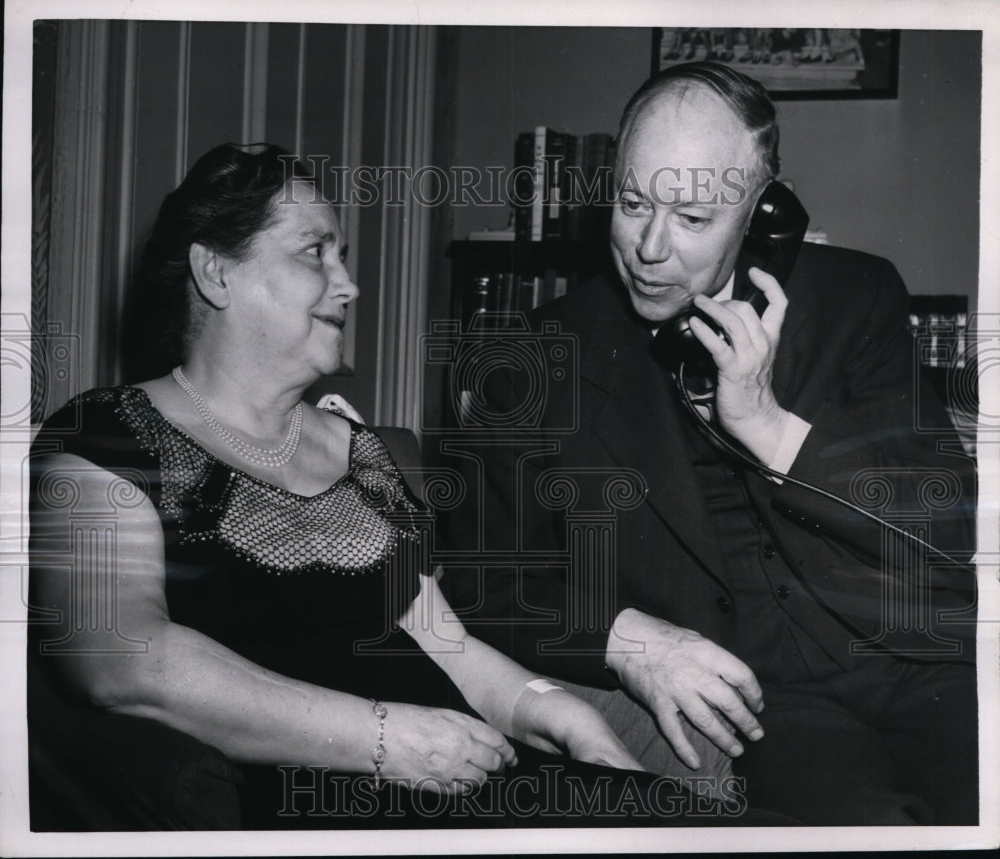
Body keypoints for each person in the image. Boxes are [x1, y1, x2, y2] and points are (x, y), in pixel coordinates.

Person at [27, 143, 754, 831]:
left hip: (469, 775)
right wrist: (385, 738)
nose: (349, 283)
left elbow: (446, 645)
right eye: (316, 251)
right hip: (320, 804)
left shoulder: (364, 452)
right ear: (216, 272)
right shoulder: (106, 434)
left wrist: (560, 713)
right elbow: (123, 659)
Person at [442, 63, 978, 825]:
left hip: (916, 664)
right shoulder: (535, 357)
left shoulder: (855, 299)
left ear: (762, 212)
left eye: (693, 219)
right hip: (764, 706)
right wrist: (629, 642)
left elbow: (949, 532)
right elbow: (478, 581)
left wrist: (766, 424)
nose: (650, 248)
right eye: (632, 205)